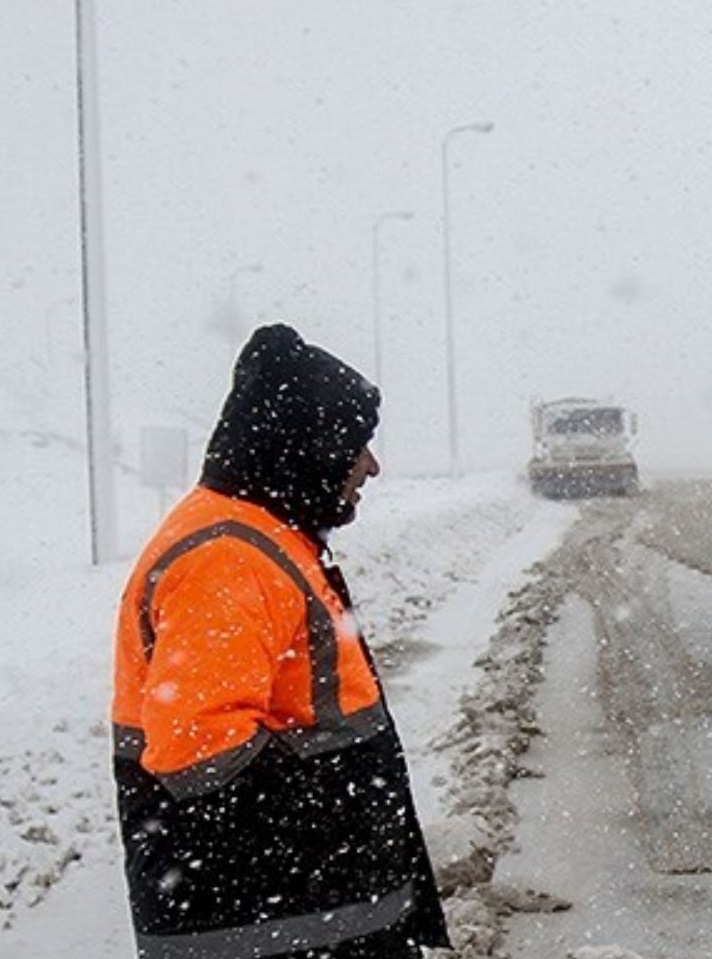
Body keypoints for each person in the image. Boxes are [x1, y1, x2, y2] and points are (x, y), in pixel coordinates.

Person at [112, 324, 449, 958]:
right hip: (275, 930)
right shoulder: (228, 557)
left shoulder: (262, 535)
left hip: (302, 923)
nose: (371, 466)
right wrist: (340, 824)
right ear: (309, 445)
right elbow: (197, 749)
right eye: (357, 444)